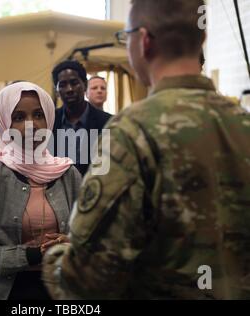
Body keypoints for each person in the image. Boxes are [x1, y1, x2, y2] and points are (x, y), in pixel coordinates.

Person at [43, 0, 250, 299]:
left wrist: (54, 257)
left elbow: (88, 277)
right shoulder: (242, 124)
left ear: (145, 41)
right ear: (201, 37)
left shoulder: (131, 131)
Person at [0, 81, 82, 300]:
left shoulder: (68, 173)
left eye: (38, 115)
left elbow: (90, 237)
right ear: (4, 124)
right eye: (18, 117)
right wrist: (31, 255)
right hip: (10, 291)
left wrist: (69, 243)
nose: (31, 125)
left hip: (64, 288)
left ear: (49, 118)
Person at [51, 60, 112, 176]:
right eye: (63, 85)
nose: (69, 89)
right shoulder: (49, 122)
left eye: (74, 83)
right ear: (57, 92)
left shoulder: (106, 122)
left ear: (84, 85)